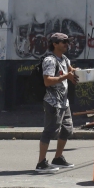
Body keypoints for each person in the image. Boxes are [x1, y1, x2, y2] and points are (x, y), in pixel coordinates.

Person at [37, 32, 78, 172]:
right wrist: (66, 76)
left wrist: (76, 74)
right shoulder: (50, 60)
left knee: (67, 130)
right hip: (52, 101)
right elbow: (47, 81)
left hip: (63, 102)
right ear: (54, 44)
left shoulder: (64, 59)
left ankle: (57, 158)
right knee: (49, 131)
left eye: (67, 41)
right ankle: (41, 163)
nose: (66, 44)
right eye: (63, 42)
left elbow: (70, 71)